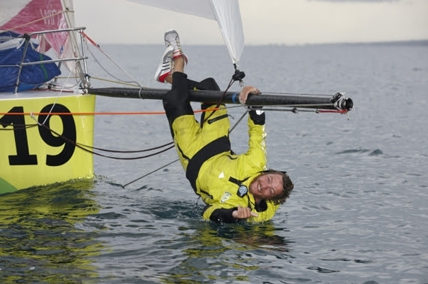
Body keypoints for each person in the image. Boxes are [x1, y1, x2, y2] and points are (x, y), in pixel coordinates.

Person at [155, 30, 293, 223]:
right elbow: (258, 131)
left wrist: (233, 215)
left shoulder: (254, 212)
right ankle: (169, 77)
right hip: (217, 143)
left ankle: (178, 61)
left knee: (176, 100)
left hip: (194, 157)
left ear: (270, 199)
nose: (264, 186)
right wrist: (253, 98)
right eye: (268, 180)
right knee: (210, 88)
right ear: (266, 172)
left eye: (271, 191)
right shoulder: (257, 162)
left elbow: (209, 213)